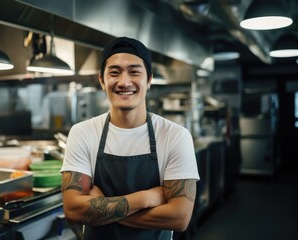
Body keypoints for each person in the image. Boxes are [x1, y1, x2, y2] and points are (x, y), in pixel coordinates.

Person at [60, 36, 200, 240]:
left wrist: (102, 207)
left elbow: (179, 218)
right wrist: (145, 198)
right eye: (114, 73)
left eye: (134, 72)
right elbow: (73, 210)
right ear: (102, 81)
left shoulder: (175, 136)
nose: (124, 82)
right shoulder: (83, 132)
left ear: (149, 80)